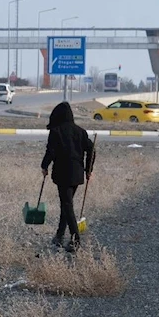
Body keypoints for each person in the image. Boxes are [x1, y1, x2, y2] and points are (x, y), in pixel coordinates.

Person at [41, 101, 94, 253]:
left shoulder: (56, 132)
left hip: (63, 174)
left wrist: (44, 166)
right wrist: (88, 169)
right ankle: (59, 235)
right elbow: (92, 150)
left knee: (67, 205)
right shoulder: (80, 131)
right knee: (66, 204)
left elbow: (50, 152)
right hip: (77, 174)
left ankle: (75, 239)